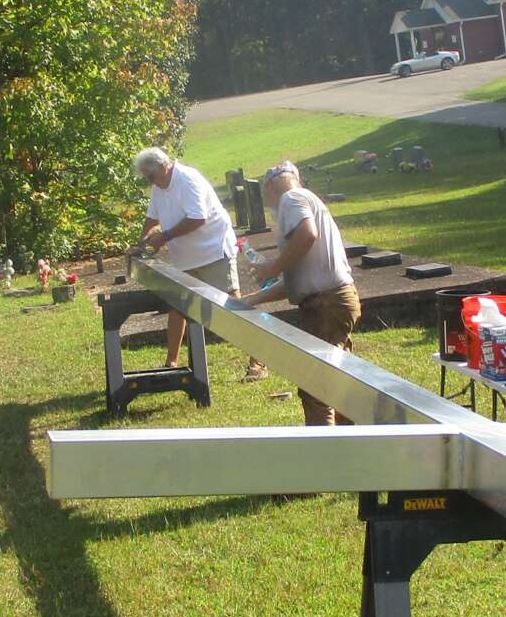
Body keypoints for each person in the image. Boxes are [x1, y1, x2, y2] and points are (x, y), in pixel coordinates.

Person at [239, 161, 360, 426]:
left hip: (325, 305)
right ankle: (350, 444)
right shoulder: (303, 200)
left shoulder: (291, 199)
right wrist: (254, 299)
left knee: (316, 386)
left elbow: (307, 235)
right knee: (339, 381)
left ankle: (327, 453)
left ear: (270, 188)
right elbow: (297, 282)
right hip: (332, 301)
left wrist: (272, 267)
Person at [131, 147, 265, 380]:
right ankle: (171, 363)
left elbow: (197, 218)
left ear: (163, 166)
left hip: (214, 250)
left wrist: (164, 237)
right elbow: (152, 217)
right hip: (185, 256)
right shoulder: (158, 185)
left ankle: (258, 361)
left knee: (232, 304)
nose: (149, 181)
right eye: (146, 178)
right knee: (178, 305)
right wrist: (141, 242)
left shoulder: (188, 179)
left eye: (150, 176)